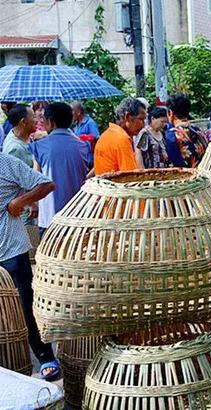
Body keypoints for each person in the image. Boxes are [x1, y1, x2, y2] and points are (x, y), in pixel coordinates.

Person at [0, 153, 59, 380]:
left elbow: (45, 184)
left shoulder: (6, 163)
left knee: (25, 304)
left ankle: (44, 355)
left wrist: (19, 202)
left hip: (11, 248)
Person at [30, 102, 89, 235]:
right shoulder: (82, 146)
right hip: (78, 215)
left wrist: (32, 203)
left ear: (51, 122)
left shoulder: (40, 147)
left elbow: (34, 179)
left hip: (50, 218)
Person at [94, 97, 147, 175]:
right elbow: (130, 177)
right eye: (141, 119)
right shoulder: (122, 139)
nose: (143, 125)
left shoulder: (106, 135)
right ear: (127, 117)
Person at [164, 94, 209, 168]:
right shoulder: (199, 132)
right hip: (202, 176)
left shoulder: (171, 136)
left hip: (183, 177)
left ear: (171, 113)